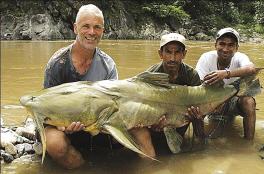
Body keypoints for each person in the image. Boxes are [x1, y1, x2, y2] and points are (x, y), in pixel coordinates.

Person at [43, 4, 118, 169]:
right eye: (86, 26)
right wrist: (61, 125)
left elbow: (113, 106)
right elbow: (46, 109)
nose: (92, 32)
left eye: (97, 27)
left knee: (133, 130)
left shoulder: (108, 65)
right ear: (75, 28)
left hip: (97, 124)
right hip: (62, 125)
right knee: (55, 144)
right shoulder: (57, 63)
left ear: (103, 31)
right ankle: (81, 168)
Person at [129, 33, 204, 158]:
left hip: (181, 119)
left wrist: (197, 117)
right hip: (157, 122)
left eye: (177, 53)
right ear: (160, 54)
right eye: (168, 52)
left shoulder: (192, 76)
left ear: (184, 54)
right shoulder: (151, 75)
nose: (172, 58)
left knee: (199, 124)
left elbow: (200, 103)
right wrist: (152, 123)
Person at [195, 27, 257, 140]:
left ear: (236, 48)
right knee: (195, 108)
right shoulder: (206, 58)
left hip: (233, 100)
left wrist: (226, 73)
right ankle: (199, 142)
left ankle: (249, 143)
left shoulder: (240, 57)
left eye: (230, 45)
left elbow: (252, 69)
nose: (225, 49)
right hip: (210, 99)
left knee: (249, 102)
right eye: (222, 44)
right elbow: (199, 86)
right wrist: (215, 101)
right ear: (215, 45)